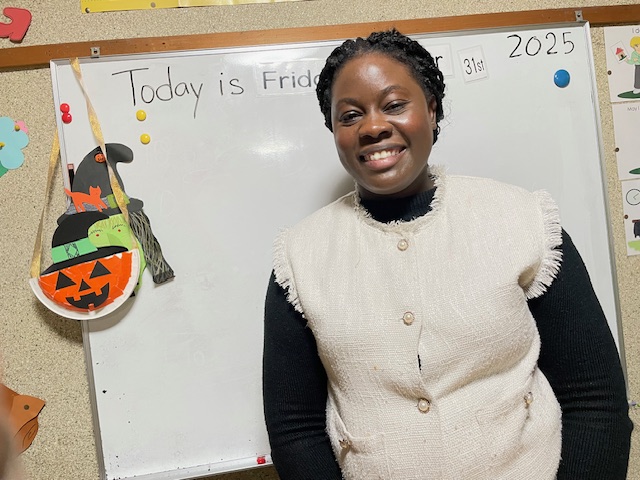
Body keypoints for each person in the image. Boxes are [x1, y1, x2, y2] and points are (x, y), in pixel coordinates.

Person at [262, 29, 633, 479]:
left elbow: (595, 401)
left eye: (394, 105)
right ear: (335, 132)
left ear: (432, 110)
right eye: (350, 115)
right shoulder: (300, 258)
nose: (373, 127)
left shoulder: (522, 221)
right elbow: (295, 431)